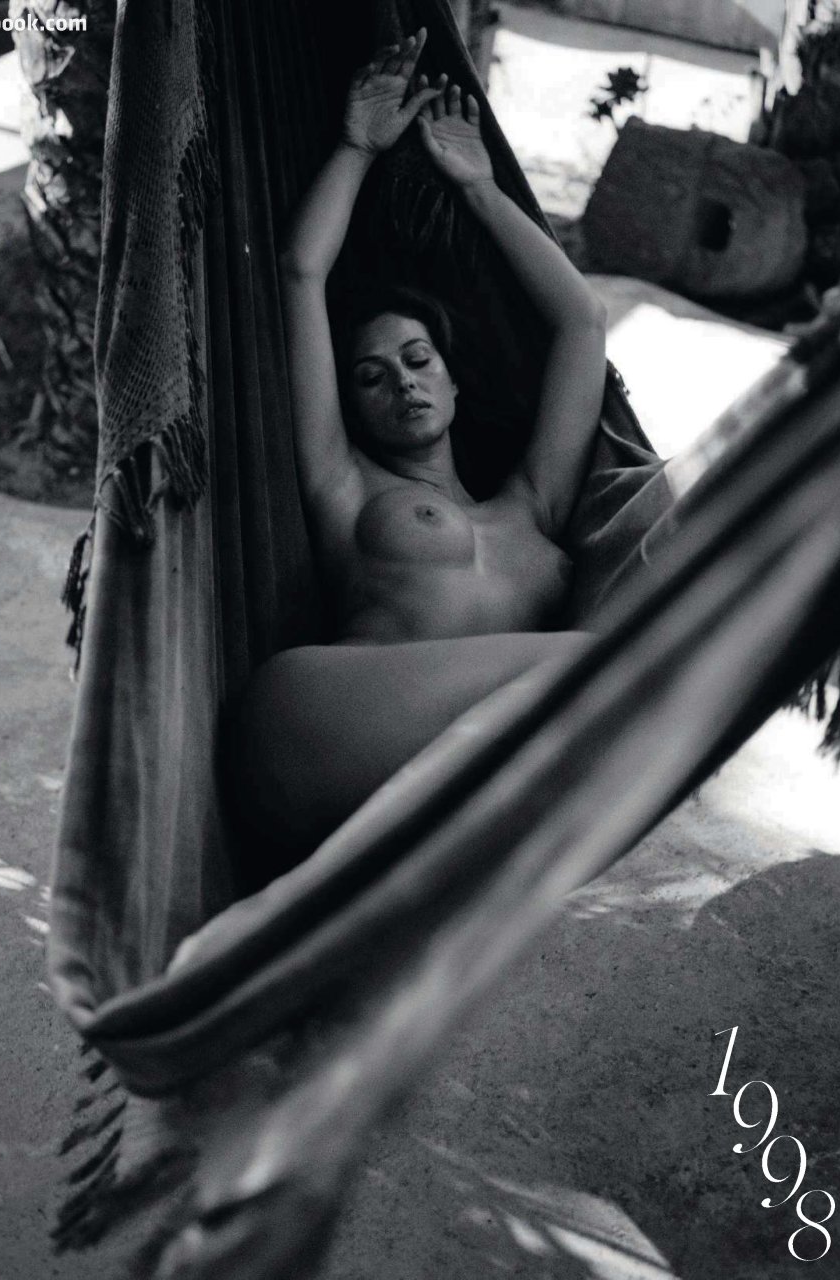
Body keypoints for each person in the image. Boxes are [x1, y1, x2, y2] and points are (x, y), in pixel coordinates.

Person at [232, 29, 608, 869]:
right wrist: (356, 148)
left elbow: (581, 323)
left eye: (415, 360)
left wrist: (480, 188)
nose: (400, 383)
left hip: (444, 780)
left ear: (454, 381)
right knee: (608, 665)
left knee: (625, 676)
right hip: (317, 723)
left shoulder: (533, 505)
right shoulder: (346, 485)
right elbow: (300, 272)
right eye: (370, 377)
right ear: (352, 410)